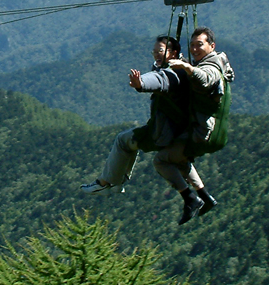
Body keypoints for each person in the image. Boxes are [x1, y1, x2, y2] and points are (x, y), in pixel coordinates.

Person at [80, 35, 197, 195]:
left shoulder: (173, 74)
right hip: (180, 130)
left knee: (123, 140)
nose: (156, 55)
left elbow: (160, 79)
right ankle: (202, 196)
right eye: (154, 52)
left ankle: (106, 183)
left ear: (173, 52)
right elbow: (159, 74)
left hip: (164, 133)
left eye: (160, 51)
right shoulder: (185, 68)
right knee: (128, 143)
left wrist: (140, 83)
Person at [156, 26, 234, 224]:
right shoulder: (217, 63)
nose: (195, 49)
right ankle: (205, 197)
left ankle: (189, 198)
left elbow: (206, 78)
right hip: (209, 131)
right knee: (180, 158)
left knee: (161, 160)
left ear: (212, 45)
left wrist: (189, 69)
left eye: (199, 44)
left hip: (201, 133)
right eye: (192, 45)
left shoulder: (212, 67)